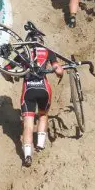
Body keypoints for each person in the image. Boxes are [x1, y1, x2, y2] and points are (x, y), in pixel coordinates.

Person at [15, 39, 63, 167]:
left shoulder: (22, 53)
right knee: (43, 115)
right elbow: (58, 70)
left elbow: (6, 69)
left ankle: (27, 156)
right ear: (41, 41)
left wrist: (9, 77)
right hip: (44, 89)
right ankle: (40, 145)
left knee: (28, 125)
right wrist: (59, 73)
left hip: (28, 90)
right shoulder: (48, 51)